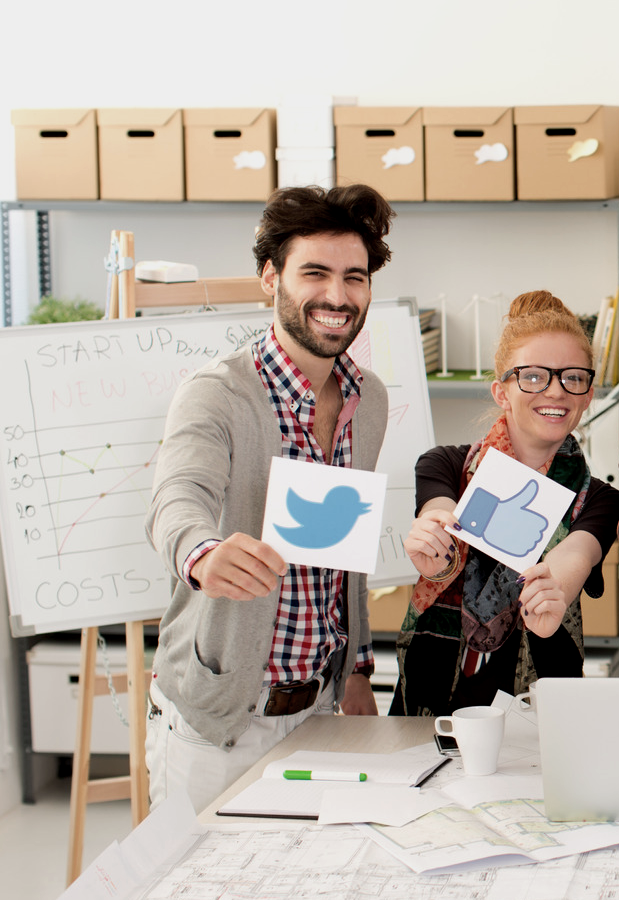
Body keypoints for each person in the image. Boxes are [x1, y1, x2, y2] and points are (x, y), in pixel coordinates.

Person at [144, 184, 394, 810]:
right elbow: (178, 495)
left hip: (320, 712)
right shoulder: (218, 393)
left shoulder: (371, 399)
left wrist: (358, 671)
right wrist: (202, 553)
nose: (337, 297)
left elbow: (344, 553)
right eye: (315, 273)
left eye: (354, 278)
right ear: (269, 277)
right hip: (220, 722)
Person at [391, 291, 619, 715]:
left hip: (541, 708)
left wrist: (553, 591)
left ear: (588, 395)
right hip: (432, 698)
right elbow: (440, 517)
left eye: (573, 377)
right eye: (533, 376)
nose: (556, 391)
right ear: (501, 391)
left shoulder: (601, 500)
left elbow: (574, 557)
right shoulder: (445, 465)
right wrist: (436, 552)